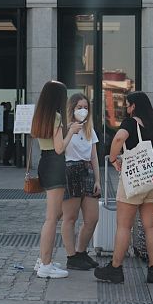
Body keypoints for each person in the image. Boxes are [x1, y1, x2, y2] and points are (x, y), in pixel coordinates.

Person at [94, 91, 153, 284]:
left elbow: (118, 139)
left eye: (128, 105)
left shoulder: (130, 123)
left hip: (133, 180)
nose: (126, 108)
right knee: (151, 225)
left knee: (124, 225)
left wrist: (114, 158)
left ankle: (115, 268)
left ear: (134, 106)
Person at [32, 80, 82, 279]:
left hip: (45, 161)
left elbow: (50, 141)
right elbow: (60, 147)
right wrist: (71, 131)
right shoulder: (56, 116)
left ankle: (43, 259)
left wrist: (66, 129)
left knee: (55, 215)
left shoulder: (41, 115)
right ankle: (45, 264)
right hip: (55, 163)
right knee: (52, 218)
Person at [60, 93, 101, 271]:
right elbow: (59, 149)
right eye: (79, 107)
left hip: (87, 170)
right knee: (70, 217)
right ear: (72, 109)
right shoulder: (64, 128)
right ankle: (71, 256)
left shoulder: (89, 129)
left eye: (85, 107)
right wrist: (70, 131)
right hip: (70, 170)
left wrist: (98, 179)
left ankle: (81, 251)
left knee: (92, 218)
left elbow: (94, 156)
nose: (83, 110)